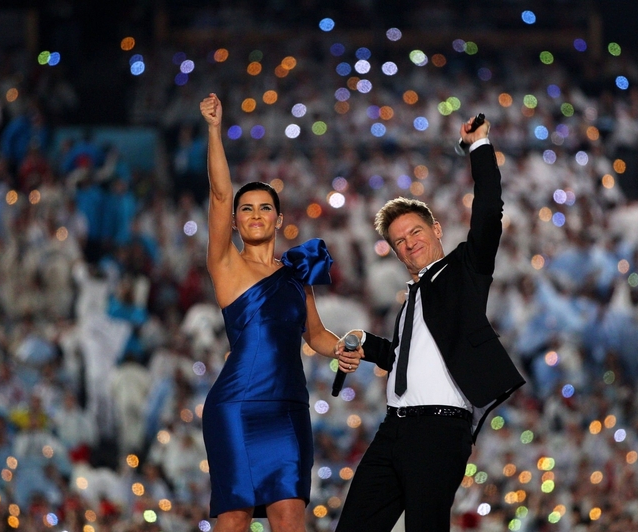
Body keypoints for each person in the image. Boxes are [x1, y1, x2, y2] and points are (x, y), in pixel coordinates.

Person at [334, 117, 526, 531]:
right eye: (399, 240)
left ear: (436, 230)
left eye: (415, 231)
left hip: (440, 429)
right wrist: (367, 343)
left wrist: (478, 147)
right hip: (393, 428)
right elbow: (405, 355)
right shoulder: (410, 301)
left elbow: (490, 210)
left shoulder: (465, 272)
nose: (409, 242)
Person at [198, 93, 361, 532]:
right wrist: (214, 130)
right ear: (234, 222)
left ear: (278, 218)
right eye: (245, 209)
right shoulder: (226, 264)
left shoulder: (295, 274)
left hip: (288, 406)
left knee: (290, 517)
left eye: (263, 208)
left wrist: (343, 347)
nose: (254, 215)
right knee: (233, 519)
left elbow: (316, 335)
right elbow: (218, 193)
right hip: (237, 403)